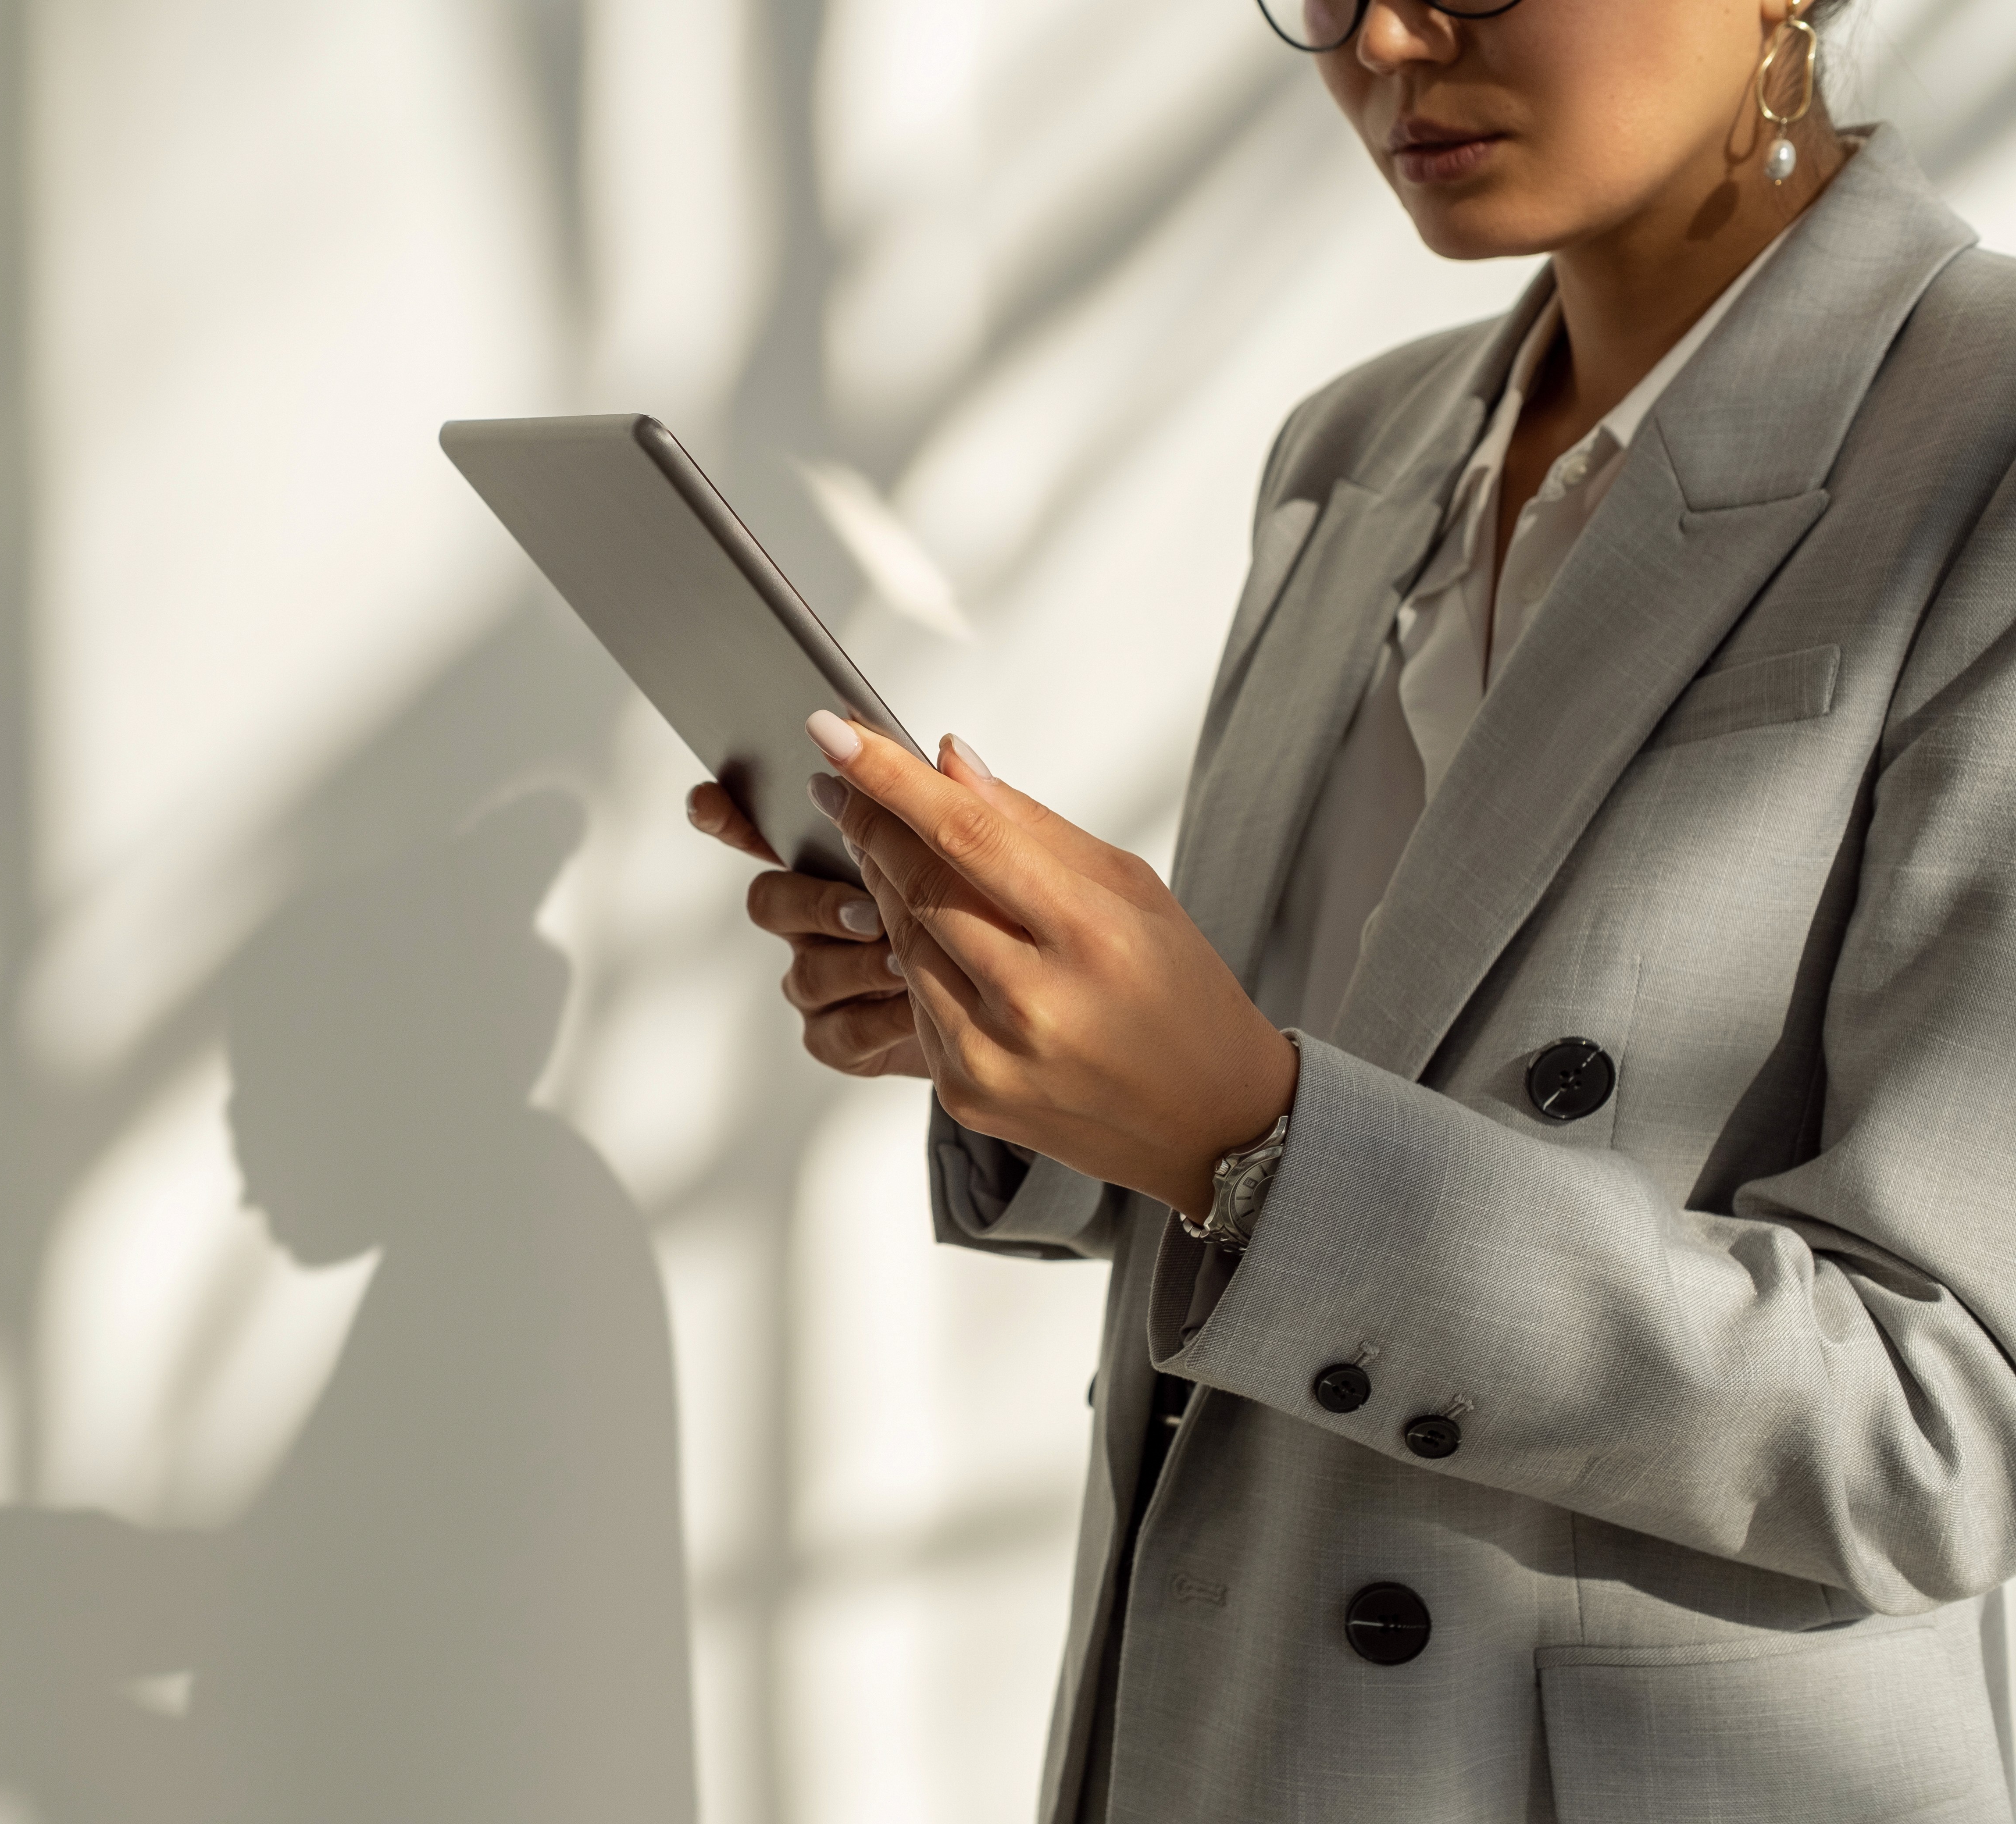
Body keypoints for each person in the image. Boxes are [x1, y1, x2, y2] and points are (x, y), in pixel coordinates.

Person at [689, 0, 2016, 1817]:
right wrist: (1035, 1038)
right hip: (1224, 1725)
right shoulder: (1355, 453)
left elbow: (1937, 1427)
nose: (1384, 34)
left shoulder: (1981, 452)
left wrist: (1245, 1127)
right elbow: (1332, 1093)